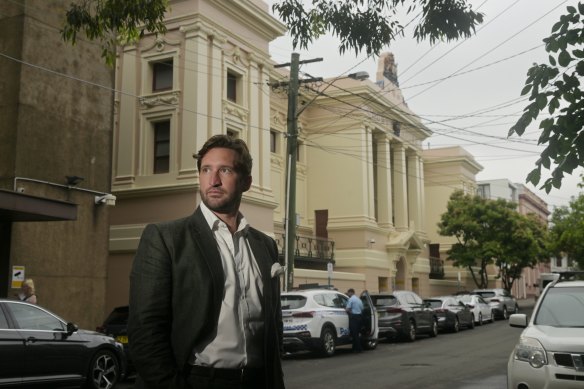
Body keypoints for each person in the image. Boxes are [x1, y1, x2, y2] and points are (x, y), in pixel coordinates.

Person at [128, 134, 285, 389]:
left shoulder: (264, 245)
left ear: (246, 181)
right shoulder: (166, 238)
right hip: (197, 380)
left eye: (224, 170)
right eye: (206, 170)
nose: (213, 180)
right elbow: (145, 331)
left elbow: (273, 321)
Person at [345, 288, 363, 353]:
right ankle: (354, 348)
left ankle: (359, 348)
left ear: (351, 292)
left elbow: (347, 309)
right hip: (359, 317)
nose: (348, 294)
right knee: (357, 333)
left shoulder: (351, 299)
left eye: (348, 293)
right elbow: (362, 308)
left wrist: (350, 312)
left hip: (354, 318)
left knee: (354, 334)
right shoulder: (359, 299)